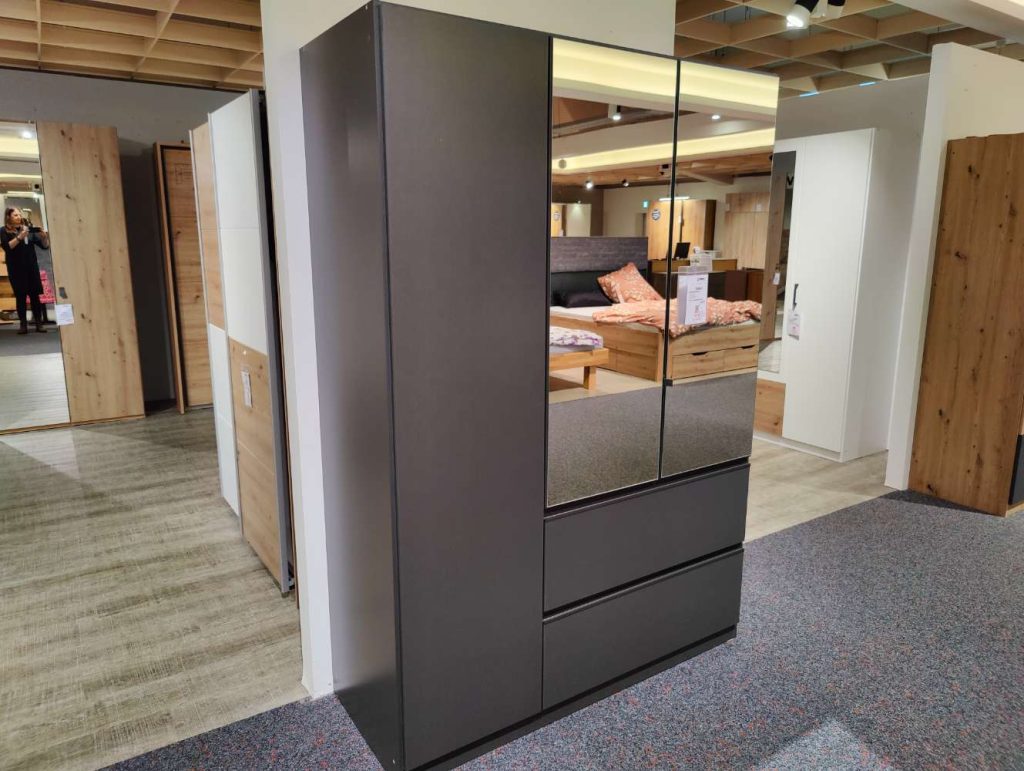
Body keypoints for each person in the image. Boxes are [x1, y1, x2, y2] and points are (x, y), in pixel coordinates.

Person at [1, 207, 49, 334]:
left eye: (19, 215)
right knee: (20, 296)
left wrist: (44, 237)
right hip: (16, 269)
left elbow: (44, 246)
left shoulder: (27, 228)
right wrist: (20, 236)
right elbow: (7, 247)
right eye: (15, 215)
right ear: (8, 217)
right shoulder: (3, 230)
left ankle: (39, 323)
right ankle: (23, 325)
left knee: (35, 296)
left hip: (31, 268)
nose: (19, 217)